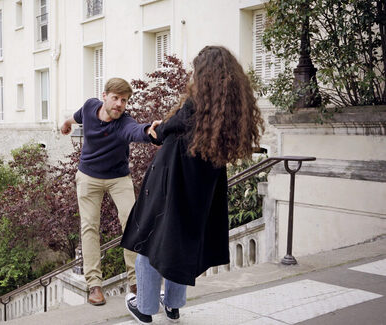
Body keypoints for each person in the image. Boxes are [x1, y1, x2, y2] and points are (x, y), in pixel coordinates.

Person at [121, 45, 264, 323]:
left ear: (204, 75)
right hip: (201, 189)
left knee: (149, 239)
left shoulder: (193, 108)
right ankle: (172, 305)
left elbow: (161, 131)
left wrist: (154, 130)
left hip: (171, 183)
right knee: (182, 241)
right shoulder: (229, 113)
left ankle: (146, 308)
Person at [60, 77, 158, 306]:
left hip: (118, 178)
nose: (119, 104)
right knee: (89, 227)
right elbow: (77, 116)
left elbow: (136, 130)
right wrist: (67, 122)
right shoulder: (89, 106)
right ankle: (94, 285)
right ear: (104, 96)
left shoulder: (123, 123)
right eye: (115, 98)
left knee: (132, 222)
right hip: (88, 177)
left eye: (124, 101)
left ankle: (135, 281)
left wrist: (151, 132)